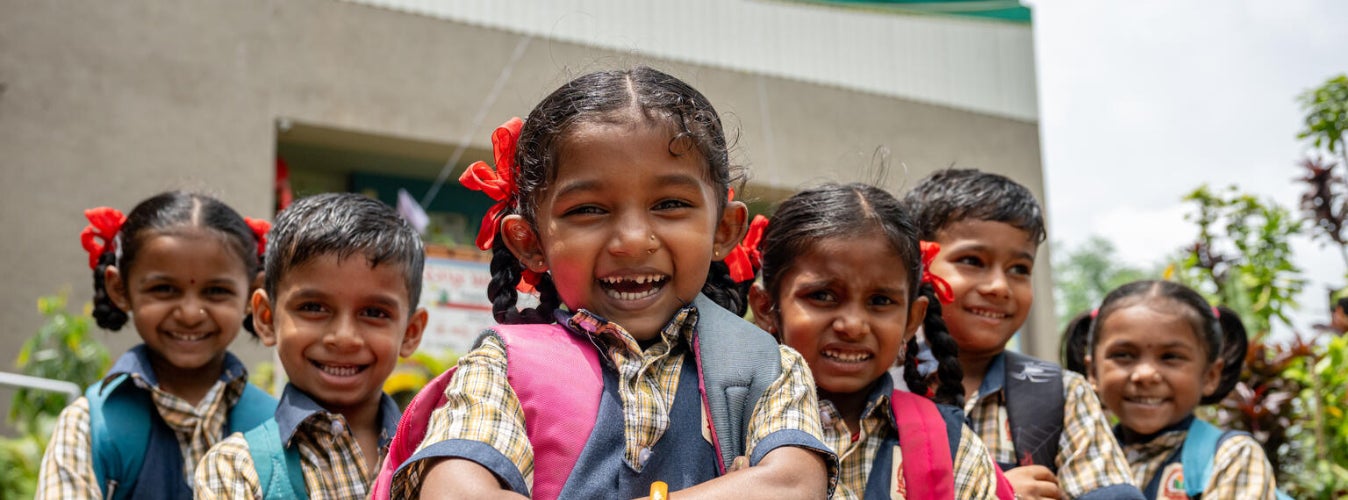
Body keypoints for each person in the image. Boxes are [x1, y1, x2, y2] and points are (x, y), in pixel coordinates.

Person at [387, 66, 835, 499]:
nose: (633, 241)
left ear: (724, 230)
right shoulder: (503, 367)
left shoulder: (766, 367)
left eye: (671, 203)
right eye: (588, 210)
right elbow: (454, 490)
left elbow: (794, 484)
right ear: (530, 242)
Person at [746, 183, 1012, 499]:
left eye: (881, 301)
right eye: (822, 296)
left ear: (912, 320)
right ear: (766, 307)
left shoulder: (953, 450)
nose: (853, 326)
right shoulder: (720, 423)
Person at [903, 168, 1142, 500]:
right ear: (919, 267)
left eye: (1019, 269)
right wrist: (993, 491)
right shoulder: (876, 387)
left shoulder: (1061, 396)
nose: (1000, 287)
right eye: (972, 260)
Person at [38, 192, 277, 499]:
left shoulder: (279, 431)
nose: (191, 314)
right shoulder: (88, 428)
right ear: (119, 289)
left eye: (216, 291)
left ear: (253, 294)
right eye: (163, 289)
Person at [194, 192, 428, 498]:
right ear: (266, 318)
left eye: (374, 313)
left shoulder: (436, 456)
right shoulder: (236, 468)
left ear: (410, 333)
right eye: (313, 308)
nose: (343, 337)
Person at [1061, 280, 1277, 499]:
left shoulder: (1231, 457)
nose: (1145, 375)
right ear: (1093, 371)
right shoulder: (1078, 459)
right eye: (1123, 355)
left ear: (1210, 375)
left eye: (1171, 357)